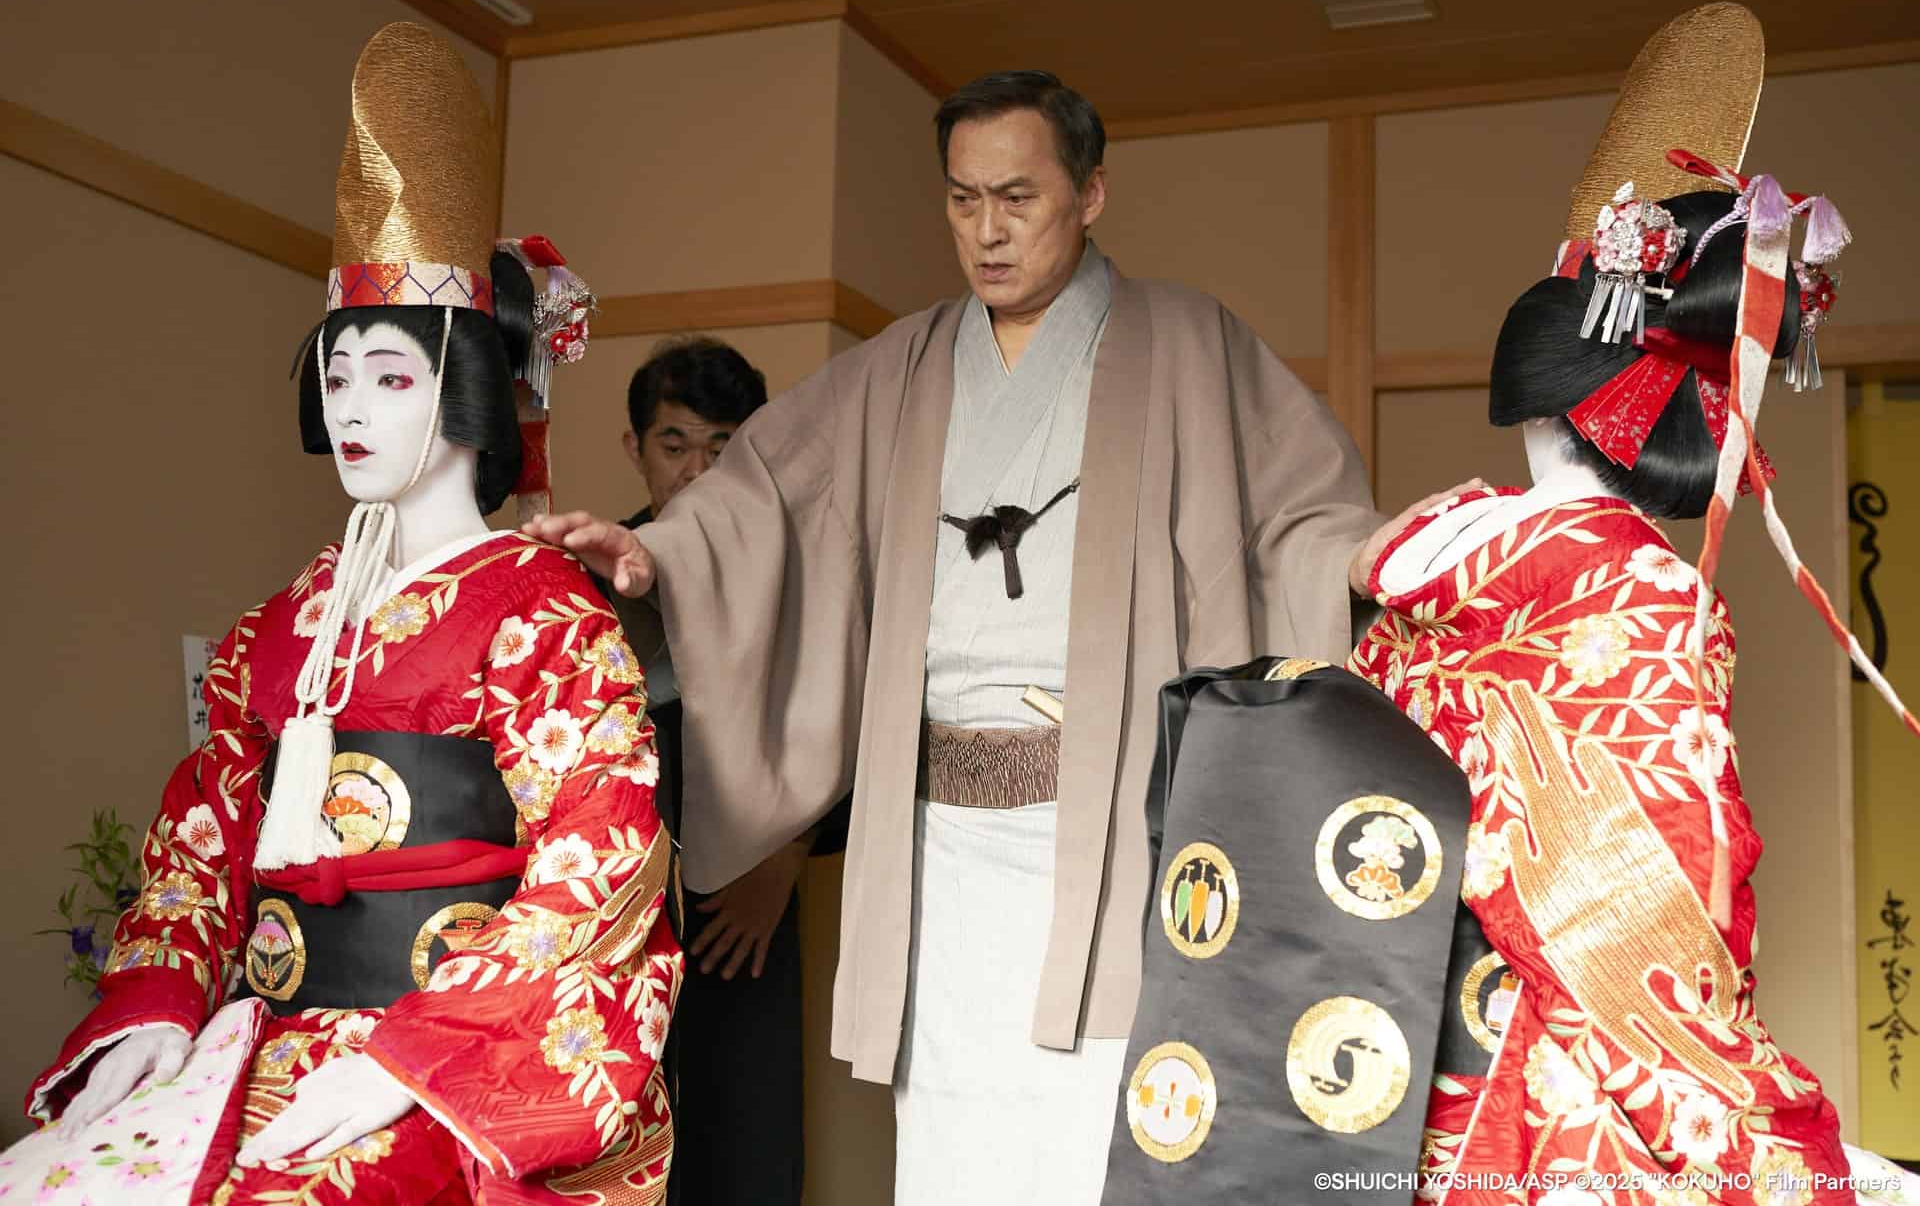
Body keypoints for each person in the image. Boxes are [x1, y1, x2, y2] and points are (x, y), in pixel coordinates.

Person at [529, 69, 1452, 1201]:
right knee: (952, 1139)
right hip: (938, 844)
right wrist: (655, 557)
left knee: (1098, 1131)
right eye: (963, 201)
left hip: (1114, 829)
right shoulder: (900, 370)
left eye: (1017, 197)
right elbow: (763, 496)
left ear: (1093, 192)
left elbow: (1300, 518)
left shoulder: (1189, 343)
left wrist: (1373, 560)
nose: (987, 231)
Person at [0, 23, 678, 1204]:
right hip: (261, 1032)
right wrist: (154, 1007)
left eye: (392, 375)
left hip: (436, 1056)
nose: (353, 404)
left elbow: (598, 854)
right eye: (339, 370)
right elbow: (205, 837)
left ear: (465, 387)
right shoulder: (281, 628)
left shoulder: (544, 619)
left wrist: (420, 1059)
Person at [1348, 4, 1919, 1204]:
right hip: (1583, 1092)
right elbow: (1686, 877)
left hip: (1403, 1063)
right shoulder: (1645, 590)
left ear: (1542, 397)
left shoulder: (1429, 563)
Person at [598, 336, 849, 1206]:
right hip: (610, 916)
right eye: (676, 445)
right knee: (620, 1137)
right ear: (636, 450)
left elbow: (842, 725)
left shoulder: (796, 575)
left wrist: (782, 862)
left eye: (725, 446)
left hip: (741, 914)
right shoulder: (594, 573)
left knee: (747, 1142)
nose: (700, 472)